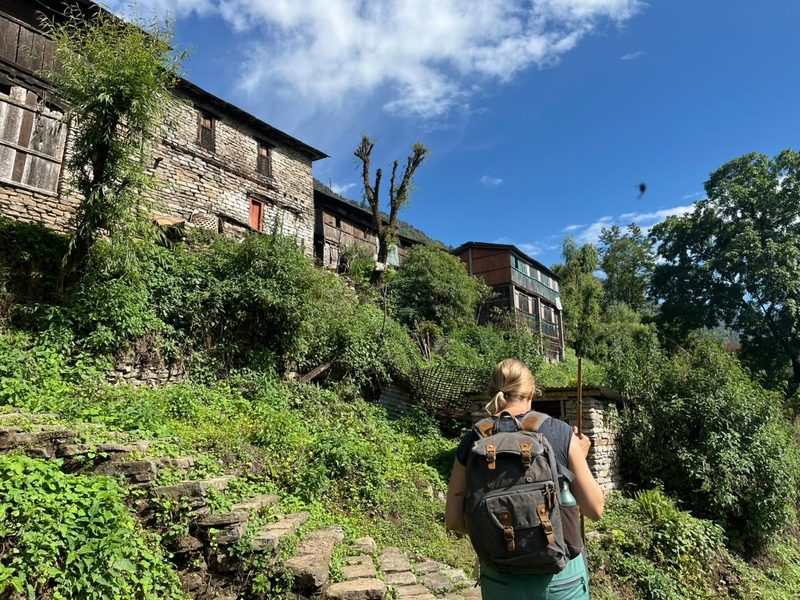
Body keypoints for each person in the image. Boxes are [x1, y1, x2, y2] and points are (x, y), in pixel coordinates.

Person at [445, 359, 604, 599]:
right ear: (531, 391)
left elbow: (454, 520)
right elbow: (595, 509)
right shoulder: (559, 432)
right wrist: (577, 458)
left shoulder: (473, 441)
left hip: (500, 580)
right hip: (560, 580)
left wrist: (499, 535)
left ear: (493, 392)